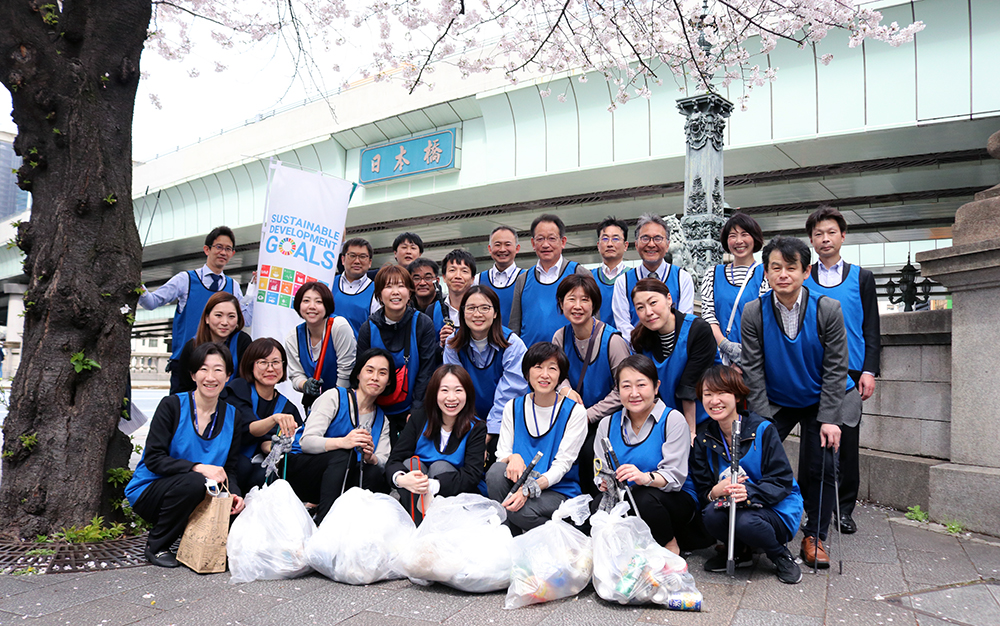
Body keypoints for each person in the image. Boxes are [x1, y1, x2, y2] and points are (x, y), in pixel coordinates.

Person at [740, 235, 859, 569]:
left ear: (806, 271)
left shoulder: (827, 309)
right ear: (765, 272)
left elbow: (837, 368)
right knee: (755, 456)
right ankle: (756, 528)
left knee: (820, 463)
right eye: (775, 267)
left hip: (822, 398)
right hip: (778, 400)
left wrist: (831, 418)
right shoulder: (754, 313)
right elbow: (753, 369)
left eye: (791, 267)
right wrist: (762, 425)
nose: (783, 274)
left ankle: (815, 534)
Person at [125, 342, 246, 568]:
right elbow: (154, 459)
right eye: (203, 369)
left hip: (197, 490)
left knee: (235, 507)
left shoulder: (233, 416)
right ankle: (157, 546)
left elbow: (229, 468)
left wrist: (235, 494)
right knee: (195, 481)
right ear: (193, 375)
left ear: (228, 376)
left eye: (218, 370)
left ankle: (186, 537)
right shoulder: (172, 405)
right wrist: (197, 467)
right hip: (151, 490)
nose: (211, 377)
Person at [804, 206, 880, 535]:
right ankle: (812, 508)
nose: (825, 239)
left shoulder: (861, 277)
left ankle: (844, 509)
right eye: (818, 234)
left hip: (850, 372)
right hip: (813, 372)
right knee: (813, 446)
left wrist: (869, 370)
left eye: (831, 232)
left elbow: (871, 327)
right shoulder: (804, 276)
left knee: (847, 444)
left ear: (843, 236)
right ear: (811, 240)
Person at [690, 365, 804, 584]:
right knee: (710, 514)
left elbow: (781, 481)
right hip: (732, 506)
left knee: (745, 522)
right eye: (708, 394)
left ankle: (779, 554)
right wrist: (715, 492)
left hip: (775, 508)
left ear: (737, 394)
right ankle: (740, 552)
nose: (715, 400)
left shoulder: (762, 429)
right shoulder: (704, 437)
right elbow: (703, 490)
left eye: (722, 392)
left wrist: (748, 492)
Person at [593, 355, 695, 554]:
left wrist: (643, 477)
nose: (634, 393)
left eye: (641, 385)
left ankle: (670, 544)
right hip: (626, 496)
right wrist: (604, 482)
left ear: (656, 387)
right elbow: (599, 470)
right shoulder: (606, 424)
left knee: (644, 498)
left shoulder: (672, 420)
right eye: (626, 386)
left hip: (670, 499)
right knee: (597, 506)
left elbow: (675, 478)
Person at [138, 226, 257, 393]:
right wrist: (137, 283)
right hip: (186, 364)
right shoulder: (184, 280)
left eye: (228, 249)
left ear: (233, 254)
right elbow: (151, 303)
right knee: (182, 413)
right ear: (206, 249)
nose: (223, 252)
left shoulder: (233, 286)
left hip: (219, 368)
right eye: (219, 247)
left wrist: (255, 290)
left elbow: (244, 320)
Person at [283, 348, 395, 523]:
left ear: (388, 381)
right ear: (358, 374)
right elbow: (306, 441)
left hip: (341, 478)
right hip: (303, 470)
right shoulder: (334, 397)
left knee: (372, 473)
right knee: (343, 455)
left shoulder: (382, 419)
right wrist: (344, 442)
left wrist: (369, 457)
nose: (375, 377)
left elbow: (382, 461)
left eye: (382, 373)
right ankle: (325, 522)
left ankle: (359, 525)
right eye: (369, 370)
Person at [486, 342, 587, 533]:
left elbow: (562, 466)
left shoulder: (575, 412)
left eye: (552, 368)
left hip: (558, 490)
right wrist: (512, 457)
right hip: (519, 485)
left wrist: (527, 490)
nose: (544, 374)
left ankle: (565, 537)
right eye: (538, 367)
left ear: (560, 376)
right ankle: (510, 538)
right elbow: (502, 455)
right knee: (495, 472)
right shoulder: (512, 407)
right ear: (527, 372)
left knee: (517, 511)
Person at [551, 273, 630, 498]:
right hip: (571, 418)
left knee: (587, 453)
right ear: (561, 303)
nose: (577, 306)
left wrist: (589, 415)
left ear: (594, 304)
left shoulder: (613, 341)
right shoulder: (560, 336)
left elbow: (623, 389)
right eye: (571, 299)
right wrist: (565, 389)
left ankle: (591, 511)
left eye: (584, 299)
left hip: (605, 420)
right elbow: (555, 373)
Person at [386, 364, 489, 521]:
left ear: (468, 394)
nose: (451, 397)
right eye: (444, 390)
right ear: (434, 393)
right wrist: (401, 479)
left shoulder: (477, 427)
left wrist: (433, 485)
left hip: (453, 497)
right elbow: (394, 460)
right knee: (411, 465)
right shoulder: (419, 418)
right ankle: (416, 523)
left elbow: (472, 475)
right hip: (415, 490)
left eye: (458, 390)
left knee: (440, 467)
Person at [443, 285, 530, 463]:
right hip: (466, 417)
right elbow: (454, 390)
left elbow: (509, 394)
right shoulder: (453, 343)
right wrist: (474, 427)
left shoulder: (512, 344)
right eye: (471, 308)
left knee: (495, 454)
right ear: (462, 312)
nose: (477, 314)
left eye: (485, 308)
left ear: (496, 313)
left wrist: (488, 431)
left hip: (506, 420)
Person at [357, 264, 438, 445]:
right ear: (378, 295)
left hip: (412, 408)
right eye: (388, 286)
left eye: (401, 286)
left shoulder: (422, 324)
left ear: (410, 292)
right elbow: (360, 374)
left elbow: (426, 371)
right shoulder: (368, 328)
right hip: (375, 410)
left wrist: (416, 411)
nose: (395, 292)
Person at [630, 278, 718, 439]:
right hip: (667, 420)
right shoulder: (641, 339)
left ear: (669, 299)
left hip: (707, 417)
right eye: (640, 307)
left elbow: (689, 384)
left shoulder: (698, 330)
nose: (648, 312)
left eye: (653, 302)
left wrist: (689, 432)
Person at [223, 338, 303, 493]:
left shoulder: (288, 407)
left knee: (269, 476)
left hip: (262, 467)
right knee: (243, 466)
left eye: (276, 362)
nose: (270, 368)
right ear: (251, 365)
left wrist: (275, 447)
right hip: (233, 462)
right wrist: (274, 419)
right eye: (263, 362)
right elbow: (250, 428)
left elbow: (294, 441)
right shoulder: (239, 389)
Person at [508, 214, 591, 348]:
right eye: (540, 239)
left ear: (563, 242)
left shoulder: (580, 273)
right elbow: (514, 326)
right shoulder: (523, 279)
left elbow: (593, 321)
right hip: (531, 360)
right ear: (533, 243)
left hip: (570, 357)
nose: (546, 244)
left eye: (552, 238)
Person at [700, 213, 768, 368]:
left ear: (755, 238)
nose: (739, 241)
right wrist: (726, 346)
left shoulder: (765, 273)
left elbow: (766, 319)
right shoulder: (713, 274)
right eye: (732, 236)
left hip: (754, 360)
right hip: (718, 359)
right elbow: (708, 315)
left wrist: (744, 356)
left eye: (745, 234)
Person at [613, 214, 695, 339]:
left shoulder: (682, 278)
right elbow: (623, 325)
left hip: (674, 352)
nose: (651, 244)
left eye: (658, 238)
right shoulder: (622, 282)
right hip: (637, 351)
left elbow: (684, 323)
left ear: (667, 245)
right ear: (636, 245)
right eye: (645, 238)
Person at [283, 281, 356, 408]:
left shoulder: (338, 326)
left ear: (327, 305)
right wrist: (305, 384)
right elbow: (296, 375)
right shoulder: (293, 337)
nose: (312, 306)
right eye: (306, 301)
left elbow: (346, 369)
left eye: (319, 302)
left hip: (344, 401)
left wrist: (334, 404)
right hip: (314, 405)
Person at [174, 292, 252, 393]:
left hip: (233, 404)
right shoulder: (192, 346)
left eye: (231, 316)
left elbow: (244, 382)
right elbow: (183, 387)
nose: (224, 322)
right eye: (218, 315)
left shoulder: (243, 342)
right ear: (207, 318)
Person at [474, 226, 523, 327]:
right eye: (497, 245)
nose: (502, 249)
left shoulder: (527, 278)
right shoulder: (477, 280)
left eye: (507, 244)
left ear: (517, 248)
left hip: (517, 341)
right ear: (490, 249)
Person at [332, 237, 380, 336]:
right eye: (352, 256)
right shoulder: (329, 284)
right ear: (343, 259)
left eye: (363, 256)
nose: (357, 261)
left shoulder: (377, 292)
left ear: (370, 262)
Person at [591, 216, 630, 325]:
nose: (610, 244)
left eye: (615, 239)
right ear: (598, 245)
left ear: (625, 245)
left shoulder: (634, 278)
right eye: (605, 239)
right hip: (595, 340)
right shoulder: (589, 277)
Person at [437, 249, 478, 347]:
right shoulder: (433, 310)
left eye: (464, 271)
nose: (458, 276)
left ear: (472, 279)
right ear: (444, 277)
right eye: (452, 270)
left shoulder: (482, 310)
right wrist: (441, 344)